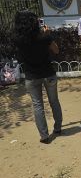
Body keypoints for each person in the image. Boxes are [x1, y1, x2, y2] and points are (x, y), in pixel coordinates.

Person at [14, 11, 63, 144]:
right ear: (34, 23)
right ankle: (58, 128)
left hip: (31, 76)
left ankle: (44, 136)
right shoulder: (44, 37)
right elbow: (56, 50)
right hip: (48, 74)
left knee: (38, 105)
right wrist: (48, 35)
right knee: (54, 101)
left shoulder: (18, 40)